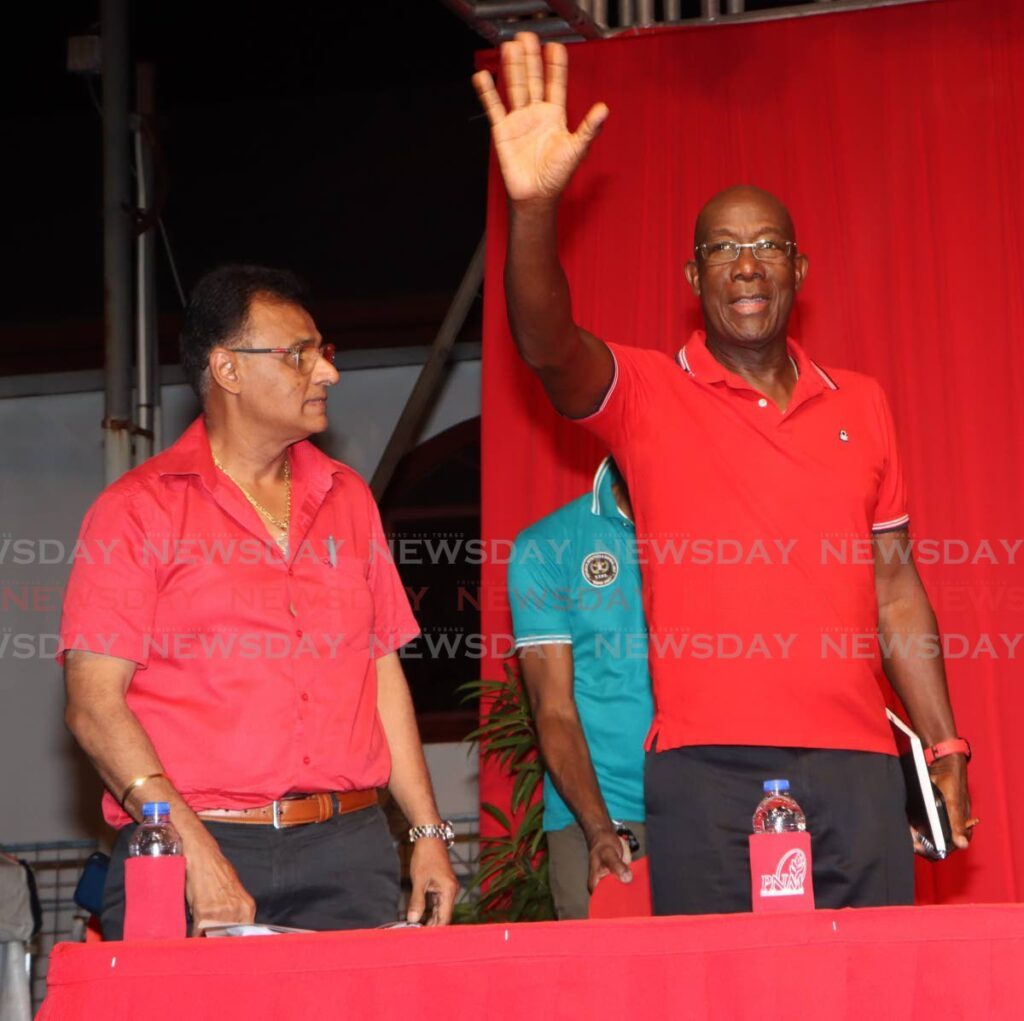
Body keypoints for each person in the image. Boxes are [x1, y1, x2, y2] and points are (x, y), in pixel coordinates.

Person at [473, 34, 975, 914]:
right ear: (692, 274)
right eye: (721, 249)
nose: (746, 265)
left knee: (869, 996)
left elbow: (896, 587)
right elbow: (549, 347)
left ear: (800, 270)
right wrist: (534, 211)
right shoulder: (648, 393)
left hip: (859, 762)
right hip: (703, 771)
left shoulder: (863, 401)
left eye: (768, 246)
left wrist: (942, 745)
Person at [60, 265, 459, 937]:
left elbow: (379, 670)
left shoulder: (348, 498)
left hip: (348, 852)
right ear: (227, 369)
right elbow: (93, 704)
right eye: (299, 354)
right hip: (193, 842)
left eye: (323, 353)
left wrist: (426, 829)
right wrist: (189, 849)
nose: (327, 373)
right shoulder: (136, 511)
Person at [508, 457, 652, 919]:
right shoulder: (546, 548)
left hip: (711, 807)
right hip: (604, 813)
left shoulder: (723, 534)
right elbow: (552, 709)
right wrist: (598, 830)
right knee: (611, 986)